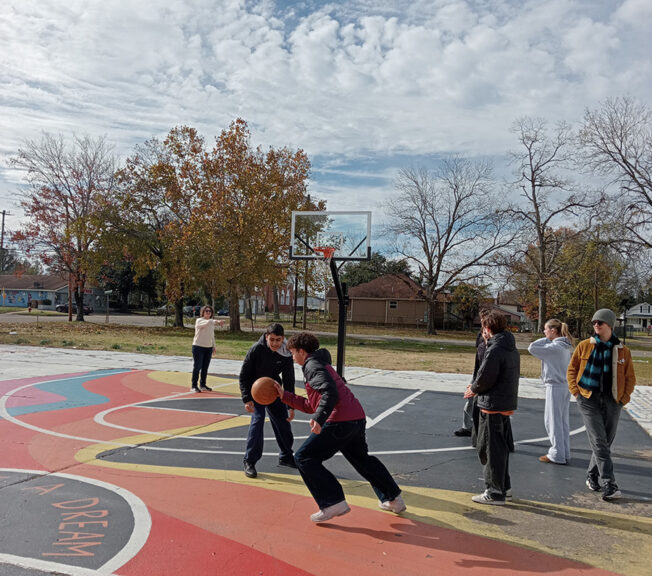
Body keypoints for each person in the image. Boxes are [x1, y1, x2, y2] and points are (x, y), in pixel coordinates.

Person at [274, 332, 406, 523]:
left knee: (304, 457)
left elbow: (330, 393)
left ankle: (332, 502)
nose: (293, 357)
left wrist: (319, 419)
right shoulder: (321, 363)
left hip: (340, 420)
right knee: (362, 459)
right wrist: (285, 396)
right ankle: (393, 499)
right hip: (356, 417)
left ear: (302, 352)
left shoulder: (311, 366)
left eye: (293, 352)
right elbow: (313, 404)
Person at [567, 309, 636, 500]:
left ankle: (591, 475)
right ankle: (609, 483)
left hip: (613, 400)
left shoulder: (623, 351)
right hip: (588, 399)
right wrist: (576, 392)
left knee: (605, 442)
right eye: (594, 322)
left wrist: (623, 399)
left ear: (610, 326)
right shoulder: (584, 346)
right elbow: (571, 370)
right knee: (599, 441)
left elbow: (630, 378)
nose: (596, 325)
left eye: (600, 322)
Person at [469, 311, 520, 505]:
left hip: (493, 403)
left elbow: (485, 376)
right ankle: (504, 487)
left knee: (490, 448)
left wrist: (473, 389)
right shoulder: (509, 346)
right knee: (500, 448)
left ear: (488, 328)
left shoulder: (496, 349)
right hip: (504, 402)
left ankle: (494, 491)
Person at [239, 323, 296, 479]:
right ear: (266, 337)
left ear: (283, 339)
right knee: (257, 421)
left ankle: (286, 456)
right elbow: (244, 376)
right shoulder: (256, 349)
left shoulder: (286, 353)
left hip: (273, 389)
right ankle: (249, 461)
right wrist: (247, 398)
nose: (275, 343)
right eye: (272, 339)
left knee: (283, 421)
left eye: (278, 340)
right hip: (255, 389)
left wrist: (290, 404)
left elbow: (289, 379)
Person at [528, 319, 573, 465]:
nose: (544, 332)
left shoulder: (555, 347)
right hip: (564, 386)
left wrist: (547, 338)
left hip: (555, 386)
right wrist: (550, 337)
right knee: (562, 421)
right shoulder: (565, 346)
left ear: (553, 331)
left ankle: (557, 453)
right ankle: (564, 451)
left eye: (546, 329)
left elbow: (532, 347)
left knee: (552, 421)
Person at [455, 309, 490, 438]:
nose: (482, 321)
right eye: (481, 319)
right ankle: (467, 427)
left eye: (485, 319)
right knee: (470, 399)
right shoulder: (480, 335)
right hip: (477, 372)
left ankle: (481, 429)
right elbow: (478, 355)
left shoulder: (495, 338)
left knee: (481, 403)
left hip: (485, 374)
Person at [191, 305, 223, 392]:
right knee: (197, 366)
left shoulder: (211, 322)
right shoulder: (199, 321)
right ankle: (194, 386)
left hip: (208, 348)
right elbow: (208, 323)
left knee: (205, 367)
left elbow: (212, 335)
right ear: (203, 312)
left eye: (210, 311)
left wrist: (213, 346)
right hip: (198, 347)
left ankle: (203, 384)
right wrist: (217, 321)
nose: (208, 312)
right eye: (206, 311)